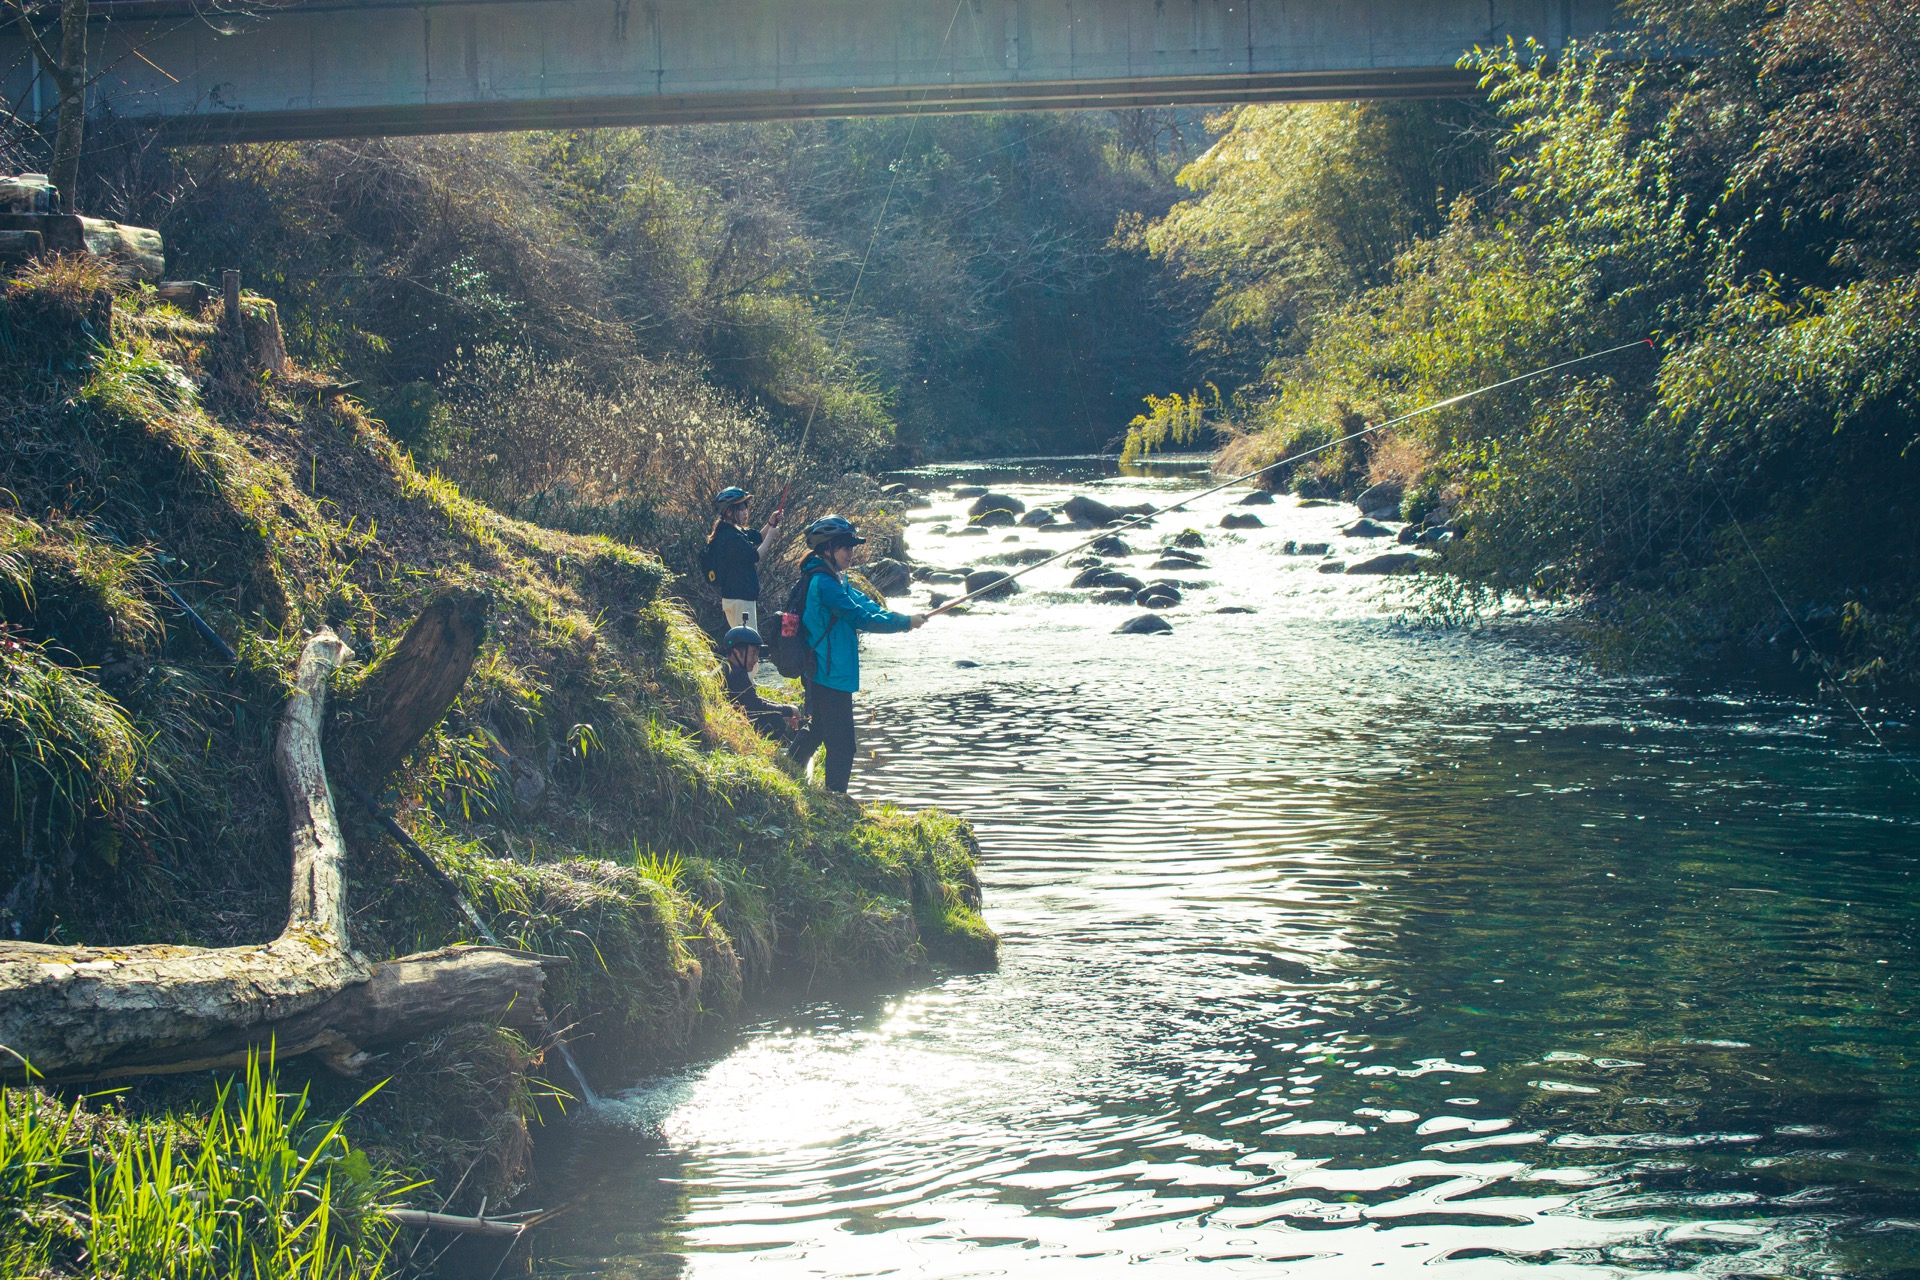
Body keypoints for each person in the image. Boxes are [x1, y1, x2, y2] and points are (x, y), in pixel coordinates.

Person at [787, 515, 927, 794]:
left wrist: (904, 619)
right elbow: (860, 617)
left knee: (818, 729)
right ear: (827, 549)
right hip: (828, 673)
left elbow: (865, 605)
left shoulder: (835, 578)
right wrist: (903, 623)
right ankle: (835, 798)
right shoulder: (824, 584)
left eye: (852, 547)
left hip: (828, 671)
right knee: (843, 744)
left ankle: (787, 771)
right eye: (846, 548)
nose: (852, 553)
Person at [703, 486, 780, 632]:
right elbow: (755, 556)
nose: (745, 512)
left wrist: (771, 523)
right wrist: (771, 536)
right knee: (747, 647)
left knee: (745, 646)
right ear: (728, 511)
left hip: (739, 599)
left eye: (745, 507)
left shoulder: (733, 530)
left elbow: (758, 537)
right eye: (740, 508)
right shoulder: (730, 537)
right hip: (740, 601)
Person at [721, 626, 800, 743]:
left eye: (757, 654)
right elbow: (757, 706)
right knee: (775, 722)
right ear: (736, 653)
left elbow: (752, 699)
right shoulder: (736, 675)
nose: (756, 659)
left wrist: (785, 708)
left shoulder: (728, 666)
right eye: (753, 654)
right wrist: (788, 710)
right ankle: (750, 743)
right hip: (728, 724)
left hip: (728, 718)